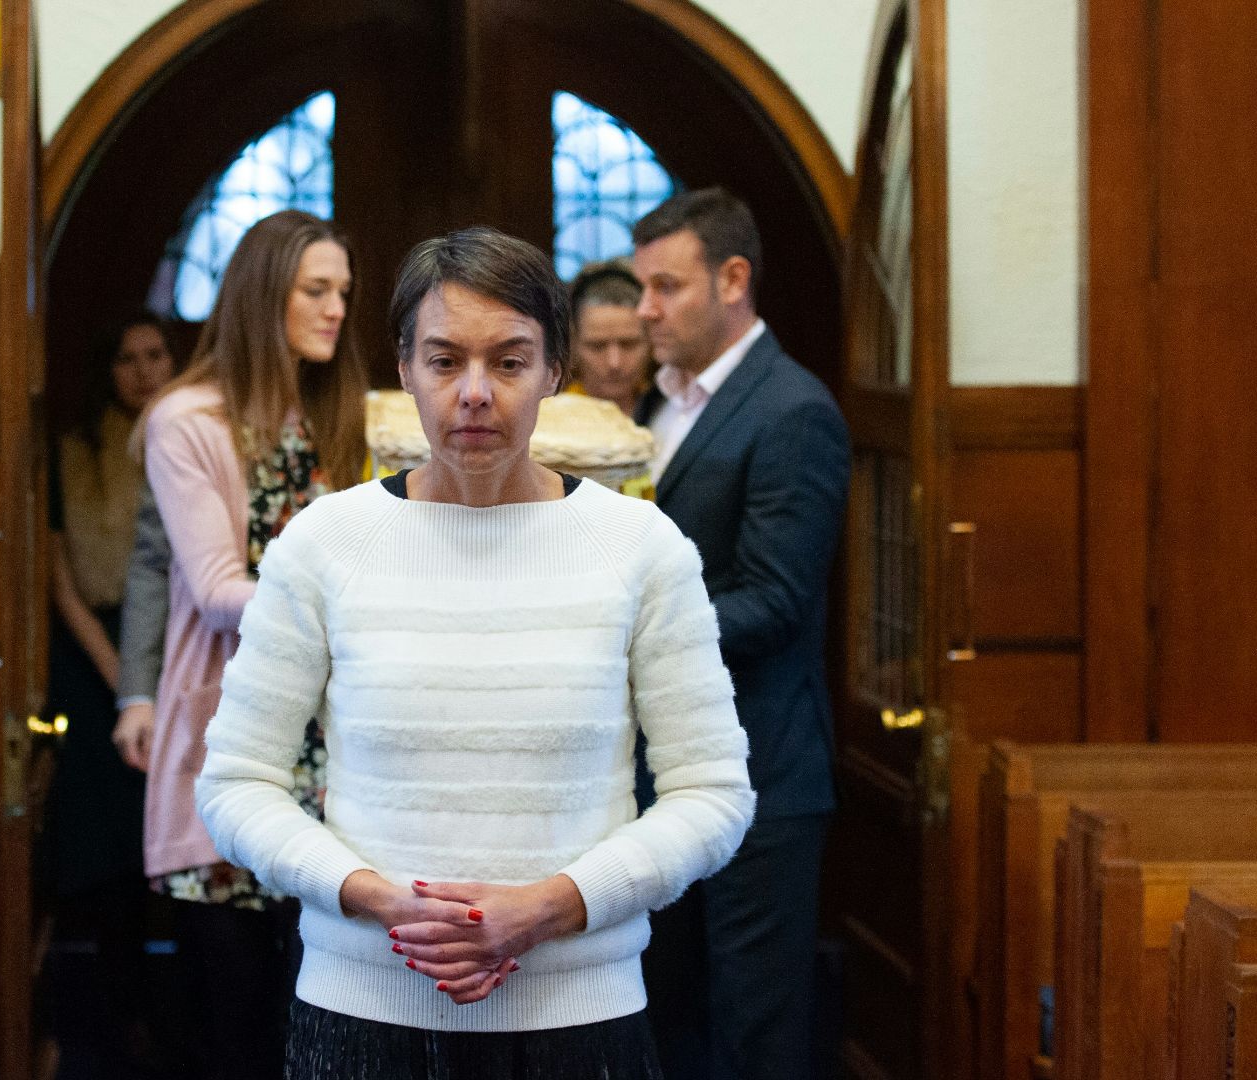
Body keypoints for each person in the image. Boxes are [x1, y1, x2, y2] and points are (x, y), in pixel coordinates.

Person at [195, 226, 755, 1080]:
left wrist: (556, 906)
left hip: (581, 1009)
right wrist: (376, 900)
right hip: (362, 1004)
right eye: (445, 360)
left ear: (554, 371)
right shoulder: (325, 544)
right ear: (405, 368)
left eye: (509, 361)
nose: (475, 394)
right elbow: (235, 783)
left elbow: (713, 794)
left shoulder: (640, 547)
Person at [116, 209, 367, 1080]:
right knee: (237, 1023)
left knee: (326, 1020)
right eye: (316, 290)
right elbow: (219, 590)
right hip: (234, 728)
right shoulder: (187, 419)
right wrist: (370, 608)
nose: (337, 309)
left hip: (333, 752)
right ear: (265, 295)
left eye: (343, 292)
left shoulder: (336, 414)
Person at [628, 188, 852, 1080]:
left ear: (732, 280)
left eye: (665, 287)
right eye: (645, 286)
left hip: (763, 772)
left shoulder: (792, 410)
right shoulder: (664, 403)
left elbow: (774, 602)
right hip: (674, 768)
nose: (645, 307)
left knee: (753, 1035)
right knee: (669, 1017)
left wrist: (624, 631)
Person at [37, 312, 180, 1073]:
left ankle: (161, 1022)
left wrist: (147, 675)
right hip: (91, 653)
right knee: (102, 851)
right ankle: (99, 1030)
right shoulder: (73, 451)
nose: (144, 371)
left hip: (166, 654)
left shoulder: (178, 439)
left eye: (156, 355)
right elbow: (59, 578)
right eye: (127, 358)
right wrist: (122, 677)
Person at [565, 258, 654, 416]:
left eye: (629, 344)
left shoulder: (673, 410)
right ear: (573, 345)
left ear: (651, 341)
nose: (614, 363)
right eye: (597, 346)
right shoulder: (548, 423)